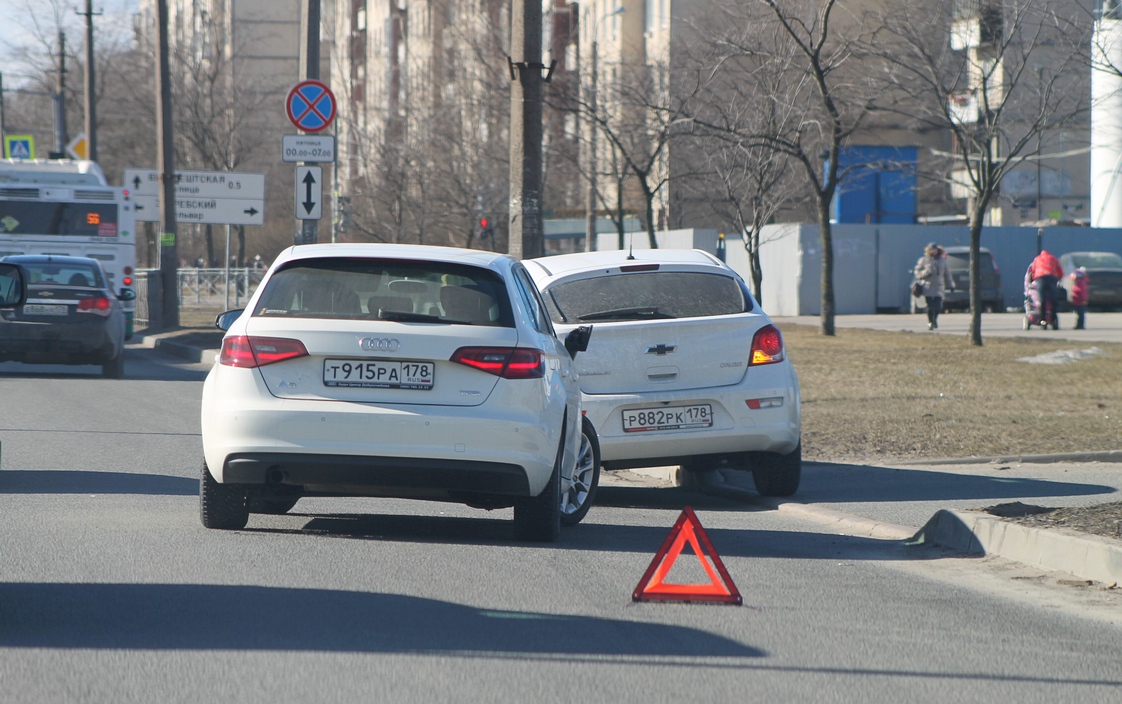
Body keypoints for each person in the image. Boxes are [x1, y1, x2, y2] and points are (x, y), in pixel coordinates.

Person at [913, 242, 954, 330]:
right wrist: (925, 273)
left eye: (935, 250)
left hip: (939, 287)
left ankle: (934, 321)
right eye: (931, 250)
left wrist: (951, 285)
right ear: (928, 250)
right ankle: (930, 324)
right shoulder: (923, 260)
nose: (933, 251)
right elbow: (917, 271)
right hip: (927, 287)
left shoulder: (942, 260)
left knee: (938, 307)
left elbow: (947, 274)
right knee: (930, 307)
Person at [1029, 249, 1064, 329]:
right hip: (1052, 278)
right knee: (1053, 300)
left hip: (1041, 278)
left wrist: (1033, 279)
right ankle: (1053, 319)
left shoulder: (1037, 259)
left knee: (1042, 300)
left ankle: (1043, 321)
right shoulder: (1054, 258)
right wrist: (1059, 278)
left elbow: (1033, 270)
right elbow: (1060, 271)